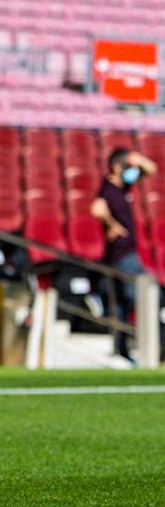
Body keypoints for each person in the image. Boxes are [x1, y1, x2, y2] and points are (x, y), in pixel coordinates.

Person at [90, 148, 157, 359]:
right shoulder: (108, 188)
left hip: (126, 253)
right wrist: (112, 224)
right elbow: (96, 209)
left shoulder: (123, 186)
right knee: (143, 293)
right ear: (117, 167)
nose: (133, 171)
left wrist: (137, 158)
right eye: (128, 167)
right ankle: (148, 343)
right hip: (121, 254)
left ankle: (122, 348)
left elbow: (151, 169)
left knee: (122, 303)